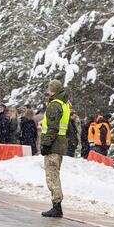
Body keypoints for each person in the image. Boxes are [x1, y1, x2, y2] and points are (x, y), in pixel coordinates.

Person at [41, 79, 70, 218]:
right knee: (55, 174)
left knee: (52, 175)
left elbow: (52, 128)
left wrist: (46, 144)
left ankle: (56, 206)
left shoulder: (54, 105)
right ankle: (56, 205)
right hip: (60, 144)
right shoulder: (64, 105)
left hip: (53, 145)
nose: (48, 92)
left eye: (49, 89)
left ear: (53, 90)